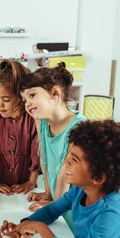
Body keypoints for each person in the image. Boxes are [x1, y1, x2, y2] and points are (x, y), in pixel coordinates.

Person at [0, 119, 120, 238]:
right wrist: (22, 226)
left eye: (74, 160)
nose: (66, 162)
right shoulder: (80, 191)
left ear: (98, 177)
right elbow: (52, 210)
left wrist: (40, 228)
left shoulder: (110, 216)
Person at [20, 62, 86, 211]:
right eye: (24, 100)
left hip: (75, 205)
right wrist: (48, 193)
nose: (27, 104)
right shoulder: (41, 122)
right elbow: (45, 157)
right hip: (58, 199)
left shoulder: (79, 127)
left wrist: (56, 205)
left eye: (32, 95)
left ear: (55, 94)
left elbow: (66, 169)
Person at [0, 59, 40, 195]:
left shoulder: (32, 118)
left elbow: (37, 153)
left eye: (6, 100)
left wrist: (31, 182)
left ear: (21, 96)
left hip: (25, 189)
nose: (0, 105)